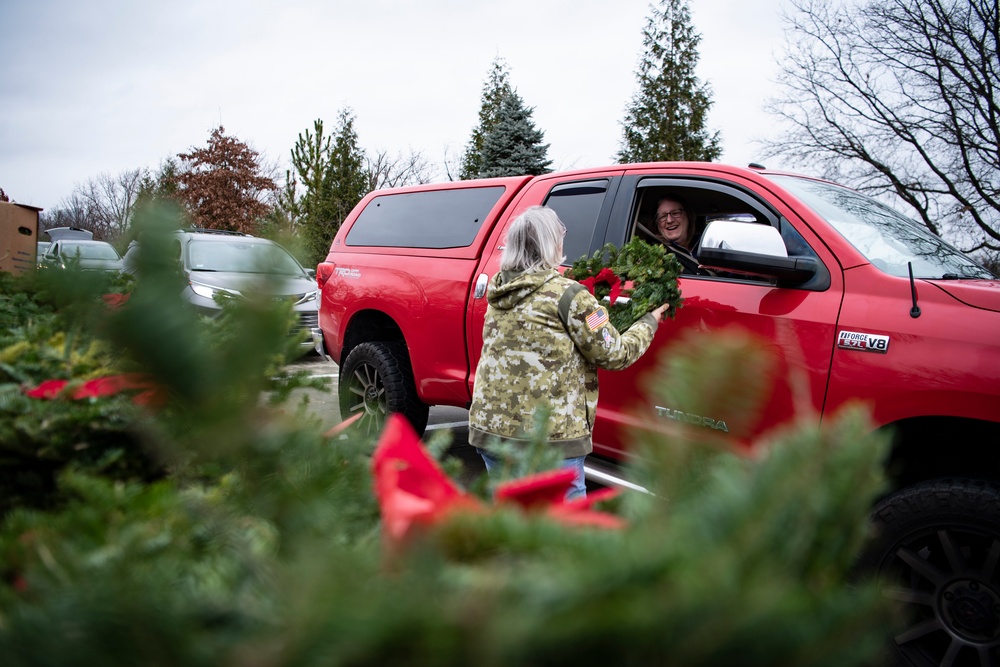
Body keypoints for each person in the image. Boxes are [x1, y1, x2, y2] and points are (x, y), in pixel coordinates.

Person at [468, 205, 670, 501]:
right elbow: (615, 353)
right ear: (551, 243)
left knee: (513, 519)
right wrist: (649, 321)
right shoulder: (570, 296)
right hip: (548, 442)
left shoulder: (499, 290)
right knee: (566, 529)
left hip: (490, 431)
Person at [653, 194, 709, 275]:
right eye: (662, 216)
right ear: (657, 224)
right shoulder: (656, 257)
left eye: (675, 213)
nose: (669, 220)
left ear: (688, 216)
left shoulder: (706, 244)